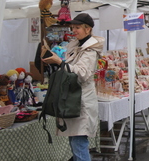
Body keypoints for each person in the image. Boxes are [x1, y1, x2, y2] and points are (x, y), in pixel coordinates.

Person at [43, 13, 104, 161]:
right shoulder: (78, 45)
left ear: (87, 29)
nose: (74, 30)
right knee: (75, 143)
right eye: (73, 27)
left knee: (79, 144)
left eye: (77, 27)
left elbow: (81, 74)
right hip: (73, 100)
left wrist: (59, 62)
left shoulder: (90, 50)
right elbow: (70, 68)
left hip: (81, 102)